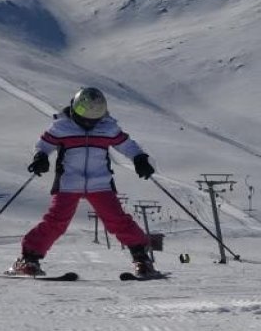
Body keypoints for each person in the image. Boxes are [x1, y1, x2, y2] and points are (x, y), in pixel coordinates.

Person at [8, 87, 159, 277]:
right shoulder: (62, 127)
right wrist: (40, 157)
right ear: (74, 107)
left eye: (95, 115)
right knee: (56, 221)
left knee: (117, 219)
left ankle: (141, 258)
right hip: (69, 182)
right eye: (83, 113)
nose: (88, 120)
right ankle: (28, 259)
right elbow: (44, 145)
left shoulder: (107, 128)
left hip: (100, 182)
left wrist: (139, 158)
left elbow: (128, 145)